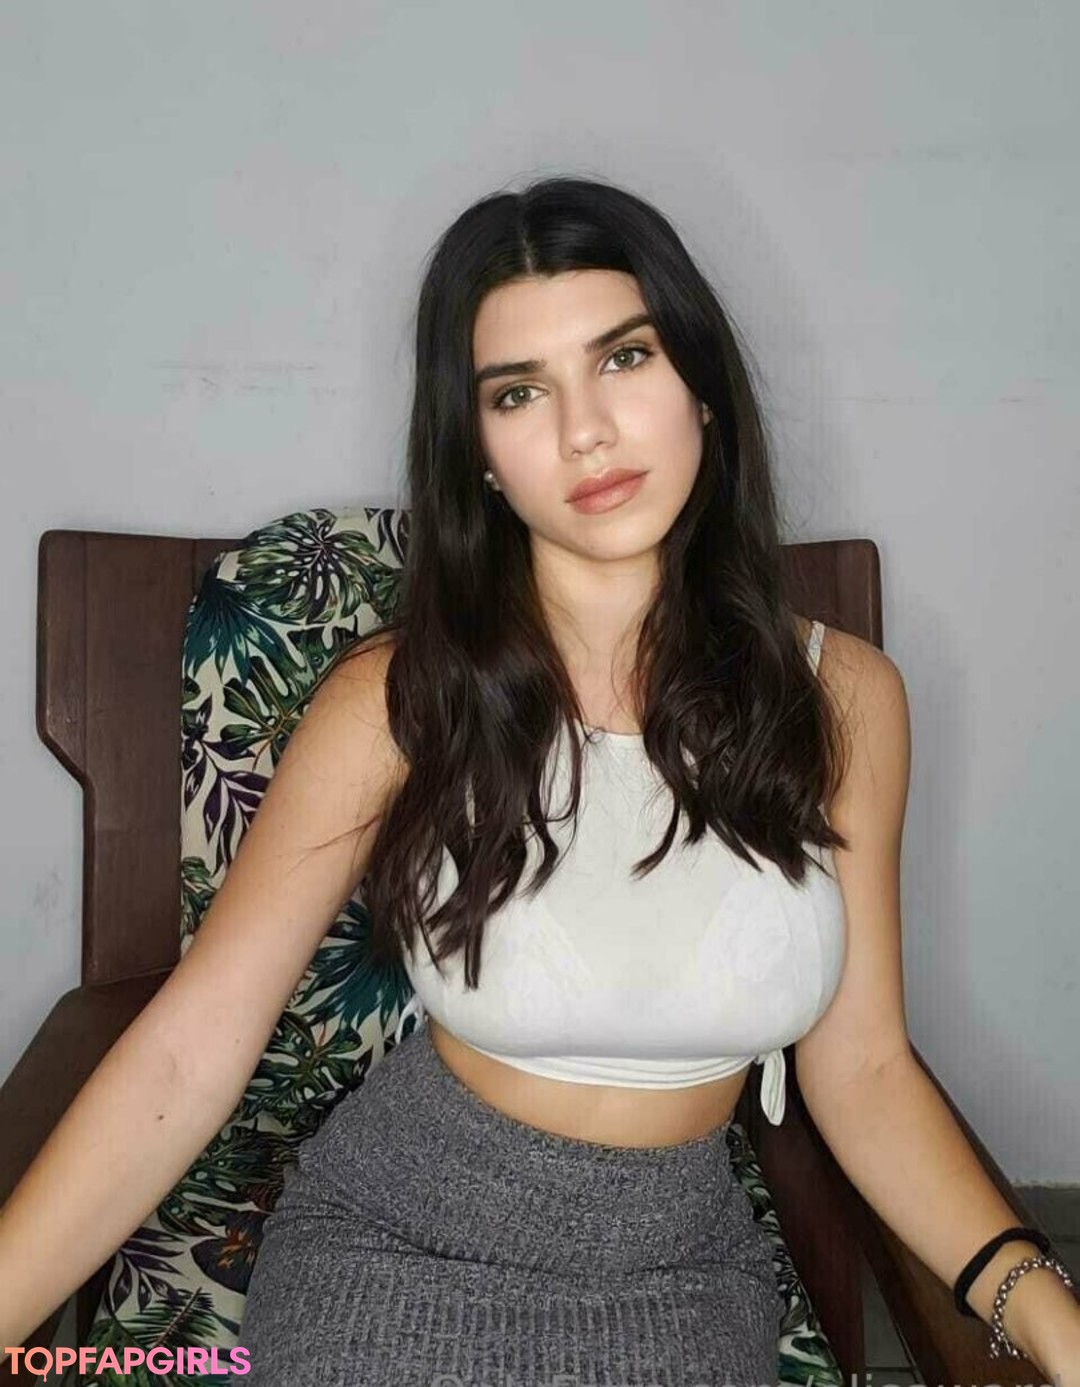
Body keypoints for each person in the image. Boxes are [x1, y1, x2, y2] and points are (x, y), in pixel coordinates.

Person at [2, 176, 1077, 1385]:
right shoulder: (399, 698)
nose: (585, 432)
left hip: (686, 1279)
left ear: (702, 388)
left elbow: (866, 1070)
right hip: (399, 1256)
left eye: (624, 358)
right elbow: (189, 1049)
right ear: (481, 456)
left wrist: (1045, 1311)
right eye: (520, 392)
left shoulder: (847, 701)